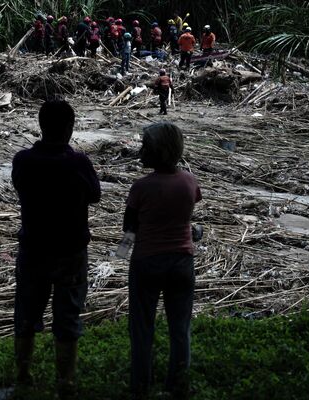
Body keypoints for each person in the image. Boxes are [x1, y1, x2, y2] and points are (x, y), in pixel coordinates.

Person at [12, 100, 101, 400]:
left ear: (41, 125)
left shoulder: (23, 160)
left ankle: (23, 375)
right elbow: (95, 196)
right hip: (70, 250)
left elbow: (19, 186)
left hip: (34, 247)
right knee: (68, 314)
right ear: (70, 128)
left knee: (26, 312)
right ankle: (66, 381)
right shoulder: (78, 163)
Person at [123, 121, 202, 400]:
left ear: (157, 151)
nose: (141, 151)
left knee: (142, 326)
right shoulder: (190, 182)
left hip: (147, 262)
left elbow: (129, 229)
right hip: (182, 261)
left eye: (145, 146)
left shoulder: (141, 187)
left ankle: (140, 385)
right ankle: (178, 384)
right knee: (180, 328)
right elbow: (186, 217)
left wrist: (121, 255)